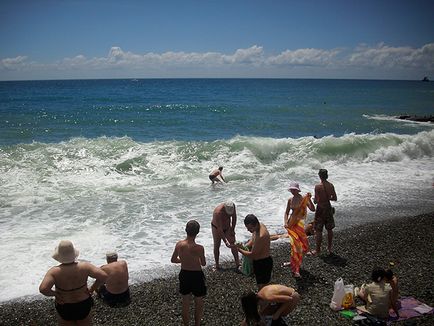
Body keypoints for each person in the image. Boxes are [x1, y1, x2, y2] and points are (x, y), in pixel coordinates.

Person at [39, 240, 108, 326]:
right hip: (83, 303)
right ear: (73, 254)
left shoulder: (54, 271)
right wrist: (92, 288)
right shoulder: (85, 266)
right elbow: (104, 276)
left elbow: (43, 289)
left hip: (64, 304)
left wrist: (55, 294)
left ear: (59, 256)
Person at [171, 220, 207, 326]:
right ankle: (197, 324)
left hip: (184, 274)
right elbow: (203, 263)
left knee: (185, 302)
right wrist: (195, 260)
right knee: (198, 301)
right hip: (196, 275)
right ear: (197, 232)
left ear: (186, 230)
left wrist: (184, 260)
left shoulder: (179, 245)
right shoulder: (199, 248)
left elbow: (173, 260)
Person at [283, 182, 315, 278]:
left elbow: (313, 209)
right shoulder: (290, 200)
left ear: (297, 190)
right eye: (291, 189)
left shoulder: (303, 199)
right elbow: (286, 212)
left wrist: (309, 199)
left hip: (300, 225)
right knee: (294, 245)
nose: (292, 191)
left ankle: (294, 262)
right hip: (291, 224)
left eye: (294, 189)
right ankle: (295, 268)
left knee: (303, 246)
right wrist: (285, 222)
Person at [234, 214, 272, 289]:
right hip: (259, 262)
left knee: (263, 287)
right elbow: (252, 239)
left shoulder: (261, 236)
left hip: (263, 263)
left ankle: (265, 300)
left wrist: (239, 250)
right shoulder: (258, 227)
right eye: (247, 228)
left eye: (249, 228)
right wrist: (245, 246)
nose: (248, 230)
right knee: (260, 285)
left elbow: (252, 255)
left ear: (255, 224)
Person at [312, 169, 337, 255]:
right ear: (327, 175)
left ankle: (318, 250)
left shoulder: (317, 187)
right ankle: (329, 248)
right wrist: (328, 198)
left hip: (320, 209)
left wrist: (313, 200)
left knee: (318, 230)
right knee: (329, 229)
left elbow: (316, 201)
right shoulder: (331, 185)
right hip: (328, 208)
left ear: (319, 176)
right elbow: (335, 198)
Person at [211, 200, 240, 270]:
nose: (229, 215)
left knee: (233, 242)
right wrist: (226, 242)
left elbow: (234, 218)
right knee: (217, 245)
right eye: (228, 214)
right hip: (216, 227)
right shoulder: (217, 213)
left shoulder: (232, 206)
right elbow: (220, 229)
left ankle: (238, 264)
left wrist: (232, 229)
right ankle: (217, 265)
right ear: (224, 209)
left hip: (227, 227)